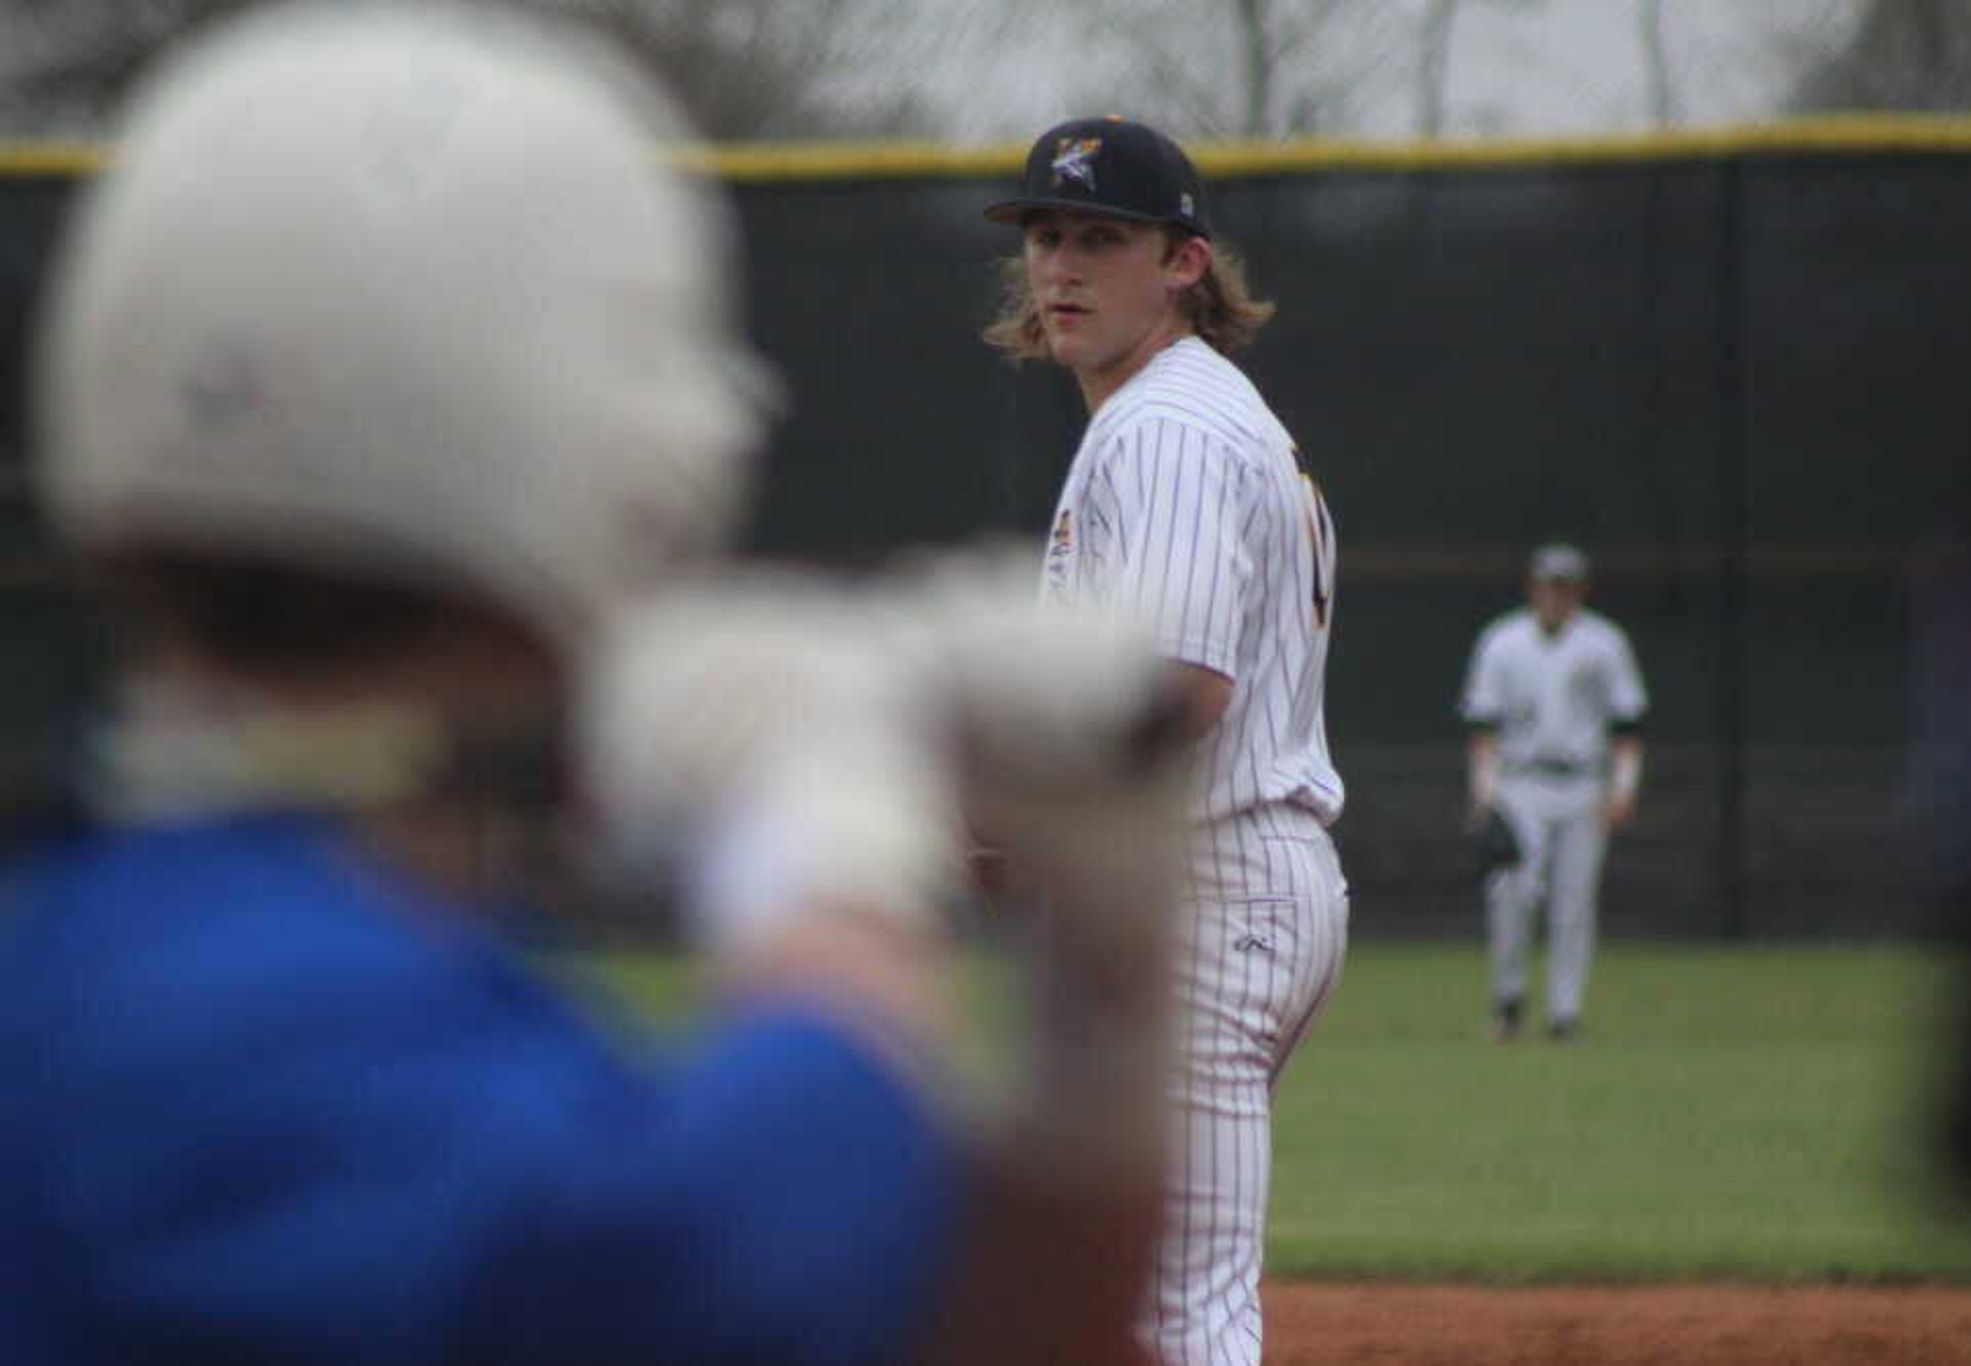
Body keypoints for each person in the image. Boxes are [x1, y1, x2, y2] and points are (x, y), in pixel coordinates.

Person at [1, 9, 1185, 1362]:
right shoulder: (252, 1014)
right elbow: (728, 1259)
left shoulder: (184, 940)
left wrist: (1107, 983)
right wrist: (830, 845)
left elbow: (970, 1330)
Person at [982, 115, 1351, 1366]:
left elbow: (1178, 684)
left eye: (1102, 237)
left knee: (1175, 1303)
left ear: (1183, 261)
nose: (1062, 266)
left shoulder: (1169, 427)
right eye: (1045, 236)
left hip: (1211, 884)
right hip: (1225, 880)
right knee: (1135, 1290)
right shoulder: (1175, 413)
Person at [1459, 543, 1648, 1043]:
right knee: (1512, 894)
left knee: (1574, 901)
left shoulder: (1604, 644)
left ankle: (1565, 1012)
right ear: (1533, 587)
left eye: (1566, 587)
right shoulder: (1503, 642)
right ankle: (1509, 1000)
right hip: (1520, 784)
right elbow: (1484, 727)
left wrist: (1624, 788)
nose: (1557, 596)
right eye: (1549, 585)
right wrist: (1485, 794)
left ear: (1579, 591)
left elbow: (1627, 725)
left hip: (1583, 783)